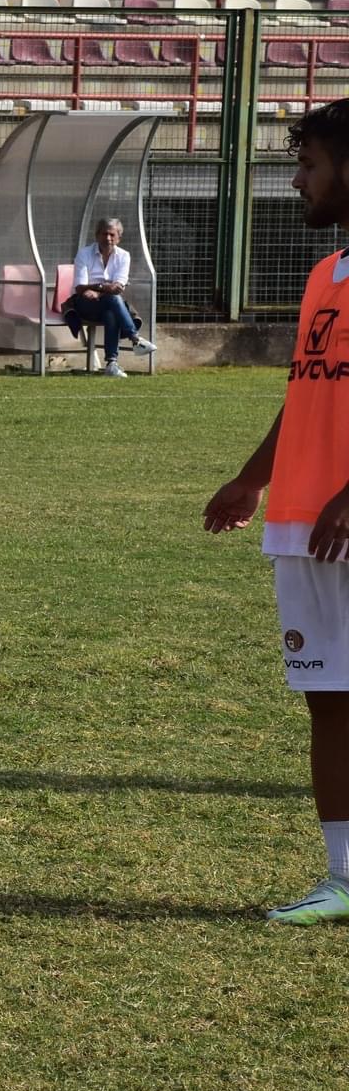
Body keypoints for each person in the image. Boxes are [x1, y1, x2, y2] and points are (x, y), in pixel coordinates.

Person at [204, 97, 349, 925]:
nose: (298, 181)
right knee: (328, 697)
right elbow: (306, 395)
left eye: (311, 166)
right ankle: (342, 876)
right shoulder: (323, 277)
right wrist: (254, 478)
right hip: (302, 520)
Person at [64, 216, 156, 378]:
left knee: (111, 311)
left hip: (108, 304)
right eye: (104, 234)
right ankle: (135, 339)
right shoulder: (84, 254)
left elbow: (118, 287)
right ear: (97, 236)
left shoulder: (124, 256)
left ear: (119, 237)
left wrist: (97, 289)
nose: (108, 238)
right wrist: (104, 287)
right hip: (84, 304)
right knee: (113, 300)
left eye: (112, 235)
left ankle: (111, 364)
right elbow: (80, 288)